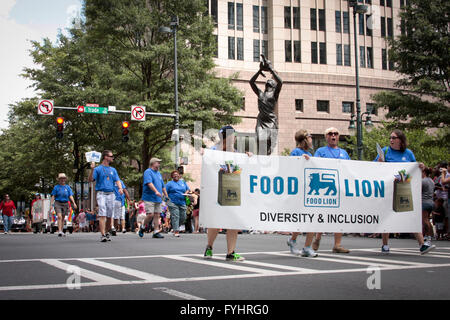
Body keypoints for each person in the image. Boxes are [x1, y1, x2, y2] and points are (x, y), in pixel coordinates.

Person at [375, 129, 435, 254]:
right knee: (387, 216)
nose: (391, 140)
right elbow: (374, 167)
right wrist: (379, 163)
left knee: (411, 216)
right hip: (389, 189)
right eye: (390, 137)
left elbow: (415, 167)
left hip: (404, 189)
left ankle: (422, 244)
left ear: (400, 140)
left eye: (394, 137)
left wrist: (421, 166)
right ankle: (385, 245)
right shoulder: (385, 151)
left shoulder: (408, 153)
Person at [204, 125, 252, 262]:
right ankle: (209, 246)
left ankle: (230, 253)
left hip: (232, 191)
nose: (236, 138)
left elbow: (241, 168)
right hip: (216, 191)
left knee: (233, 221)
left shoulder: (236, 153)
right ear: (228, 136)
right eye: (234, 135)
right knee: (215, 222)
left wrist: (248, 157)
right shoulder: (213, 151)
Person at [312, 127, 351, 254]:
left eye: (335, 134)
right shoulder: (320, 151)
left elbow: (352, 168)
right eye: (330, 134)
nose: (333, 135)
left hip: (340, 188)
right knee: (323, 214)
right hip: (325, 188)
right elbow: (314, 165)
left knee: (338, 216)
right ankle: (317, 237)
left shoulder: (344, 153)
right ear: (326, 137)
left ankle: (337, 244)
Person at [286, 129, 318, 257]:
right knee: (303, 219)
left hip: (310, 190)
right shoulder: (296, 152)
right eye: (310, 136)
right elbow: (291, 168)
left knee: (313, 219)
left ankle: (307, 246)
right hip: (301, 190)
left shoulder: (310, 153)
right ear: (305, 139)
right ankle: (293, 240)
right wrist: (300, 160)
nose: (311, 139)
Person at [249, 54, 283, 155]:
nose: (268, 83)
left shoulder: (274, 94)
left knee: (269, 141)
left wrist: (270, 69)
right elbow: (251, 82)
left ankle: (267, 156)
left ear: (273, 86)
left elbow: (280, 82)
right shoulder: (260, 93)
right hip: (261, 119)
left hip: (270, 119)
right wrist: (259, 71)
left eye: (270, 83)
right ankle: (262, 157)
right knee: (260, 139)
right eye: (267, 83)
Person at [89, 150, 123, 242]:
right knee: (102, 213)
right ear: (105, 157)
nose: (113, 158)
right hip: (101, 193)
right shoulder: (98, 169)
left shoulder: (113, 170)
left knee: (109, 215)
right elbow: (91, 179)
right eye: (111, 156)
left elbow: (117, 180)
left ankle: (107, 232)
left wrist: (120, 188)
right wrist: (92, 169)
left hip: (111, 194)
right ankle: (103, 234)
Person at [138, 158, 168, 239]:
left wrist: (166, 195)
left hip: (158, 198)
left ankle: (156, 232)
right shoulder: (148, 172)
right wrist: (156, 191)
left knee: (157, 215)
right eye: (158, 162)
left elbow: (163, 186)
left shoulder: (158, 173)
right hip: (149, 197)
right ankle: (143, 227)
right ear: (153, 163)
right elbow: (149, 183)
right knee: (150, 214)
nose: (159, 164)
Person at [165, 170, 190, 237]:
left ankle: (174, 228)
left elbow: (188, 189)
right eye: (174, 175)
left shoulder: (183, 182)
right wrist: (166, 198)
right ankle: (176, 231)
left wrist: (186, 193)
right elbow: (165, 191)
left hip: (182, 202)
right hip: (172, 202)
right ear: (172, 176)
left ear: (179, 175)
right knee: (176, 216)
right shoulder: (169, 183)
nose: (176, 175)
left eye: (177, 174)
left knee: (183, 217)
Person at [421, 167, 435, 241]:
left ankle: (428, 235)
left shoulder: (423, 181)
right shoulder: (432, 181)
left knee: (425, 220)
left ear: (424, 173)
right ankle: (429, 234)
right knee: (428, 219)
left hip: (424, 202)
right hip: (431, 202)